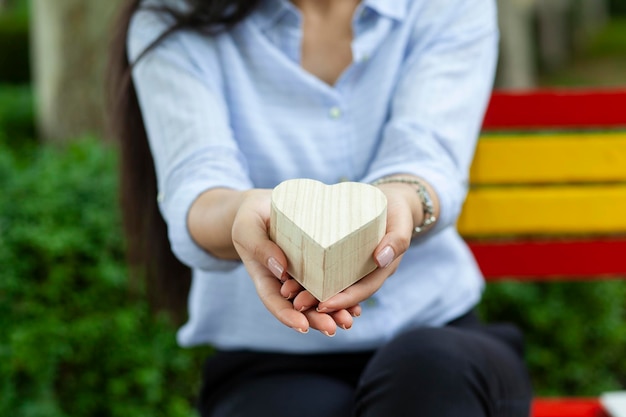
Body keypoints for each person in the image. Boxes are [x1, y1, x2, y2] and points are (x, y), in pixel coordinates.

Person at [107, 0, 533, 416]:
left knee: (429, 372)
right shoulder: (173, 15)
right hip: (268, 364)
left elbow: (427, 153)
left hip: (442, 339)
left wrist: (402, 201)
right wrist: (243, 214)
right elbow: (199, 184)